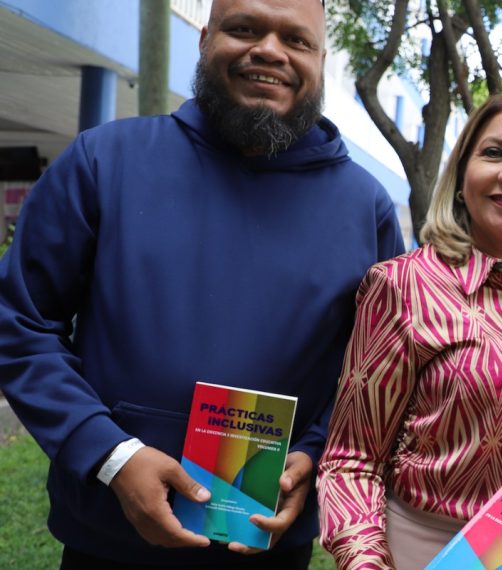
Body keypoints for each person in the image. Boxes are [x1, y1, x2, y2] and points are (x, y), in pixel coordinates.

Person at [0, 0, 405, 567]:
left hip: (266, 545)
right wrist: (112, 454)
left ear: (319, 59)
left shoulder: (366, 210)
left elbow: (376, 377)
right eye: (243, 28)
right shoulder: (102, 161)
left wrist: (314, 452)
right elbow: (19, 325)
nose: (269, 50)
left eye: (296, 39)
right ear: (204, 40)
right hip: (109, 541)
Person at [317, 91, 502, 569]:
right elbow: (351, 459)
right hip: (421, 552)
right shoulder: (404, 285)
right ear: (462, 175)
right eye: (494, 152)